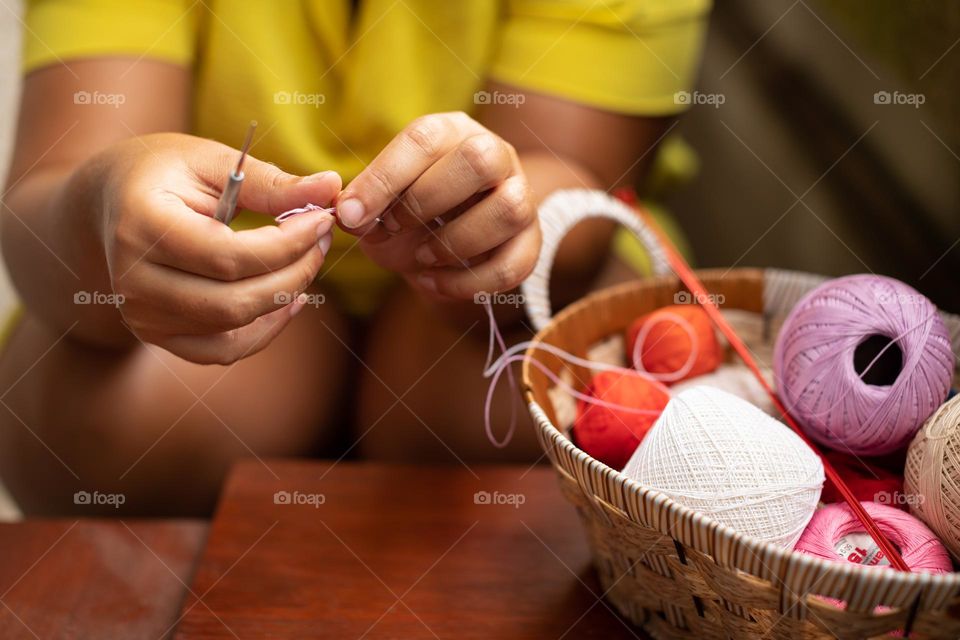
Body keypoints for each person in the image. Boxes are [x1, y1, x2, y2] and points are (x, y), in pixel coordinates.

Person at [0, 0, 710, 515]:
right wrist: (103, 214)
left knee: (489, 403)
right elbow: (44, 215)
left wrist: (508, 222)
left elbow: (573, 194)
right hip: (236, 341)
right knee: (101, 423)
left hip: (469, 341)